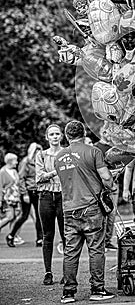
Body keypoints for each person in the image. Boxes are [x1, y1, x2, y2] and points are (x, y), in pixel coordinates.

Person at [55, 120, 115, 303]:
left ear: (66, 136)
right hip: (91, 208)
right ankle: (97, 290)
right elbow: (106, 178)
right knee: (96, 249)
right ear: (83, 133)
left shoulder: (58, 156)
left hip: (69, 209)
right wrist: (110, 182)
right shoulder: (93, 151)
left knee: (71, 252)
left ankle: (68, 293)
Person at [36, 124, 65, 285]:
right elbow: (39, 177)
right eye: (51, 134)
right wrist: (56, 171)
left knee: (66, 235)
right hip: (46, 196)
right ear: (47, 137)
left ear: (61, 136)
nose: (54, 136)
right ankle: (48, 272)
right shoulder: (41, 155)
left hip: (63, 195)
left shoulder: (66, 153)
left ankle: (67, 273)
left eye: (57, 134)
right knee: (47, 236)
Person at [6, 143, 43, 247]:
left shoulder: (40, 162)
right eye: (36, 151)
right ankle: (11, 236)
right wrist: (25, 194)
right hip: (28, 192)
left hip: (37, 191)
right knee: (24, 216)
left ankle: (40, 239)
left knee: (39, 216)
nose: (38, 153)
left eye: (39, 151)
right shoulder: (25, 162)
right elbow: (21, 178)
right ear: (32, 151)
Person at [94, 133, 118, 251]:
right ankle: (101, 241)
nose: (109, 134)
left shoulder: (114, 147)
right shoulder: (96, 148)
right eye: (107, 132)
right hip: (101, 185)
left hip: (113, 183)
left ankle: (108, 241)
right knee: (102, 213)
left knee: (112, 214)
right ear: (102, 133)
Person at [0, 153, 20, 234]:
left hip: (15, 198)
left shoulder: (14, 171)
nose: (17, 162)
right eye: (15, 160)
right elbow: (0, 187)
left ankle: (12, 236)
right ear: (10, 161)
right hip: (7, 198)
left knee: (15, 217)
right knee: (10, 217)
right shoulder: (2, 172)